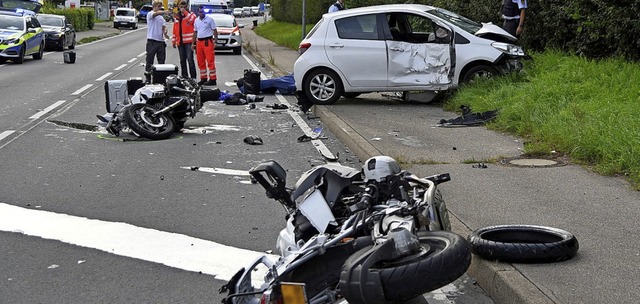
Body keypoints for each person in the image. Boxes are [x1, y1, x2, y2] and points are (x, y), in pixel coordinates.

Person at [192, 5, 219, 86]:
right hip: (199, 42)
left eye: (203, 12)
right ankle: (203, 78)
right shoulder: (196, 20)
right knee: (200, 62)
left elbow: (215, 30)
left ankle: (213, 79)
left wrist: (215, 41)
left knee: (210, 61)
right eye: (200, 12)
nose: (202, 13)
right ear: (198, 12)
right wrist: (193, 43)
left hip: (207, 42)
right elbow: (195, 32)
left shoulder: (210, 20)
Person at [171, 0, 197, 79]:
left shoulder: (191, 15)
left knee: (190, 59)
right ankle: (184, 76)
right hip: (180, 42)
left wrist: (185, 12)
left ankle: (193, 77)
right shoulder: (177, 16)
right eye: (181, 7)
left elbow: (190, 20)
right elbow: (175, 29)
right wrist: (173, 40)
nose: (182, 8)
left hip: (189, 41)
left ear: (186, 7)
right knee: (182, 60)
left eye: (184, 7)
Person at [145, 0, 170, 79]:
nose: (160, 8)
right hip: (152, 41)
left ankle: (160, 78)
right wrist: (164, 12)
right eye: (158, 6)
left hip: (160, 42)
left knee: (161, 61)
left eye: (160, 6)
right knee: (149, 60)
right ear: (154, 6)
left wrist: (165, 32)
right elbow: (155, 14)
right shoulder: (150, 14)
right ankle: (148, 78)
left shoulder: (161, 19)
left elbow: (163, 27)